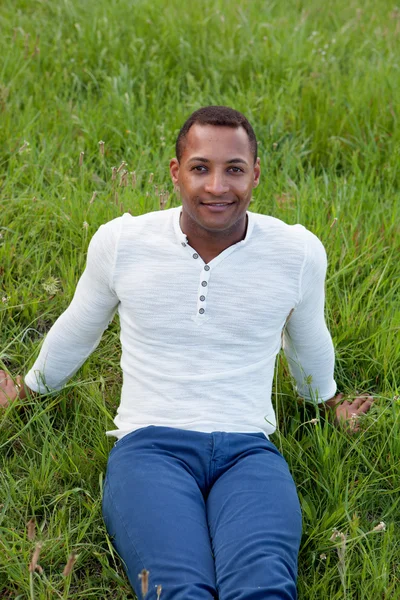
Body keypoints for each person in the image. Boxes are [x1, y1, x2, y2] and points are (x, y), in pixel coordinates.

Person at [1, 106, 373, 600]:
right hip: (150, 448)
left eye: (234, 169)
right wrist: (26, 391)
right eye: (201, 167)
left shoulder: (296, 252)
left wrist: (326, 403)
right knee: (176, 589)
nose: (217, 185)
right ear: (177, 173)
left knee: (263, 586)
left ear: (255, 174)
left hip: (248, 453)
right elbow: (78, 327)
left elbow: (309, 339)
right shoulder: (123, 242)